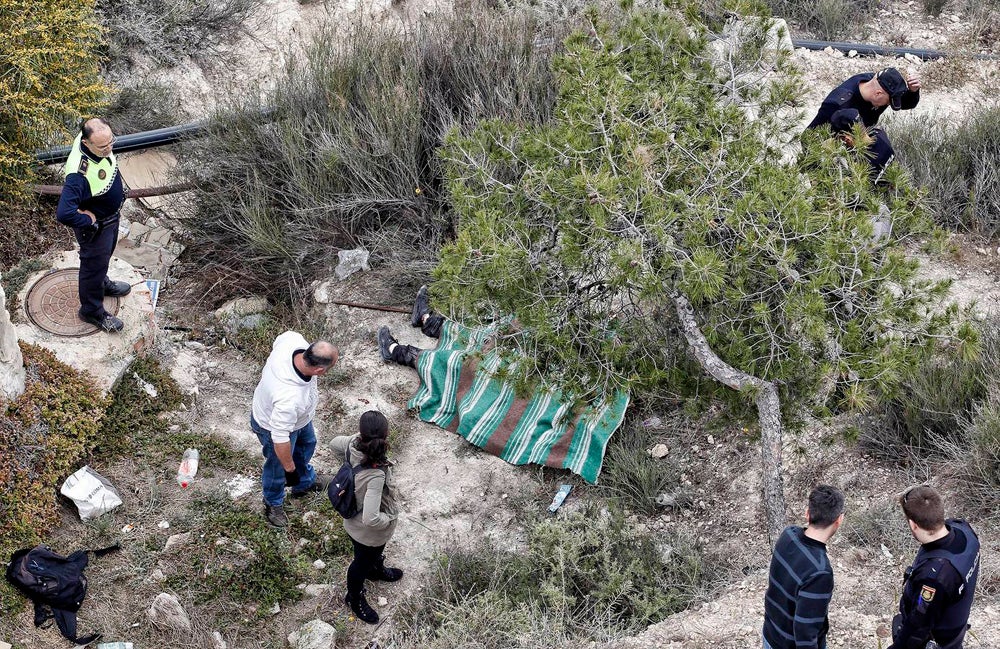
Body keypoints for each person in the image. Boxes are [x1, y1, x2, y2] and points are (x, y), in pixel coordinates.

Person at [251, 331, 338, 527]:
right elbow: (279, 438)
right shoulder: (289, 398)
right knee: (277, 466)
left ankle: (304, 483)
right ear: (319, 371)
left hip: (299, 420)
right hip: (272, 425)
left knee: (307, 443)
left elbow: (280, 336)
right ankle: (272, 501)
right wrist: (290, 470)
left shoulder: (293, 341)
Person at [55, 117, 132, 333]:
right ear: (87, 143)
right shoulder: (78, 175)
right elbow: (64, 213)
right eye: (103, 146)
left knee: (104, 258)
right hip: (96, 227)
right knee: (92, 267)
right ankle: (91, 311)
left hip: (110, 217)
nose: (109, 148)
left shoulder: (92, 138)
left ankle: (103, 284)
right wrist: (88, 220)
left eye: (111, 142)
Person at [331, 410, 402, 625]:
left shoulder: (353, 445)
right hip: (368, 532)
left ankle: (375, 569)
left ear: (361, 434)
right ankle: (354, 597)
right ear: (385, 435)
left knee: (368, 557)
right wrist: (388, 520)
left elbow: (333, 443)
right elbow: (371, 519)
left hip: (351, 519)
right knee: (360, 563)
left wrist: (357, 439)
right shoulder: (376, 474)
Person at [889, 486, 981, 649]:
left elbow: (918, 627)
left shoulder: (934, 576)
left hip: (939, 639)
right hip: (955, 625)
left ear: (913, 524)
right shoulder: (963, 529)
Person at [762, 485, 845, 649]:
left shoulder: (788, 534)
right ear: (838, 520)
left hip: (771, 634)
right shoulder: (820, 572)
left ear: (808, 513)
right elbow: (805, 633)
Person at [808, 67, 921, 131]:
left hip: (862, 140)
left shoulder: (880, 83)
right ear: (878, 94)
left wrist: (912, 91)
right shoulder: (837, 104)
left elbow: (905, 103)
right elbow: (809, 136)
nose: (888, 104)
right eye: (887, 102)